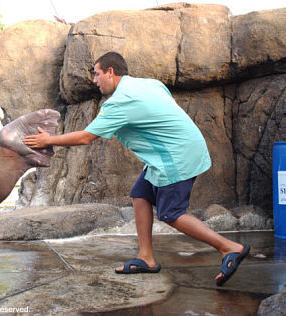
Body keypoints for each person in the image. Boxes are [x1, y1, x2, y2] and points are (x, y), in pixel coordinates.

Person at [23, 51, 250, 286]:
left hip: (175, 156)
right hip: (176, 150)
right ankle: (146, 257)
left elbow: (85, 137)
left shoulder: (121, 102)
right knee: (140, 194)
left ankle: (229, 248)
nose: (94, 80)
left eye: (97, 74)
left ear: (110, 72)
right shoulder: (148, 84)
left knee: (170, 213)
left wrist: (47, 141)